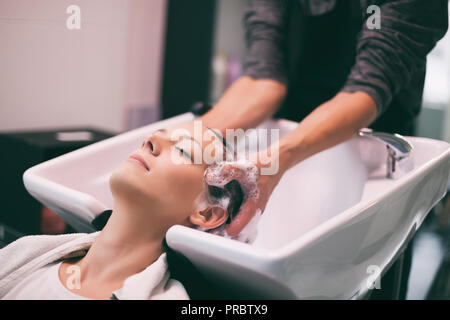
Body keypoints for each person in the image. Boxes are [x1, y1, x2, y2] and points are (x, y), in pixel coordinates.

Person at [199, 0, 449, 299]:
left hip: (373, 153)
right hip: (288, 135)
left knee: (362, 275)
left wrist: (271, 163)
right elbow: (262, 77)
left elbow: (365, 88)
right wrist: (193, 137)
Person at [0, 122, 240, 300]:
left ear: (207, 213)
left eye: (183, 151)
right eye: (155, 136)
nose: (150, 142)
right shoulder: (20, 257)